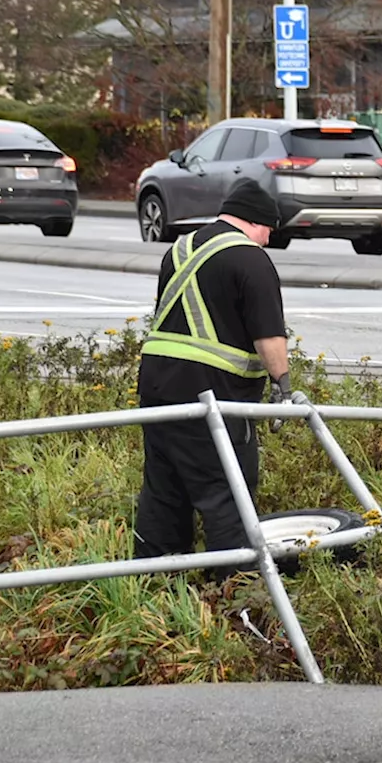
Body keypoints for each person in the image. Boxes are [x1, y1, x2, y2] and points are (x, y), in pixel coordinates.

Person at [133, 177, 292, 578]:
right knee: (227, 488)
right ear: (255, 221)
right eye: (269, 229)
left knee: (163, 487)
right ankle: (234, 586)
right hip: (212, 392)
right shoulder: (249, 258)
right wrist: (282, 385)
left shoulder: (179, 249)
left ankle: (156, 578)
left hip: (156, 383)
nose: (268, 239)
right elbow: (269, 336)